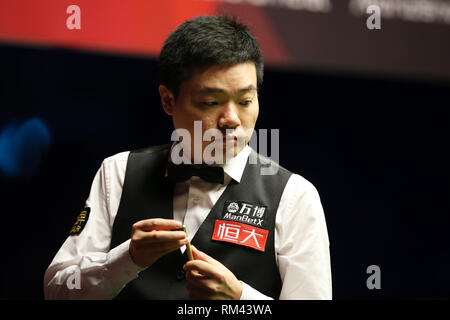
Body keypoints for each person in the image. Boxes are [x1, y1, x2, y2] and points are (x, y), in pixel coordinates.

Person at [44, 15, 332, 300]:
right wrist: (127, 259)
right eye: (210, 102)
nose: (231, 119)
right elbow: (56, 289)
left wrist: (240, 299)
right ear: (168, 100)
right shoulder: (118, 172)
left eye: (245, 101)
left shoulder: (295, 196)